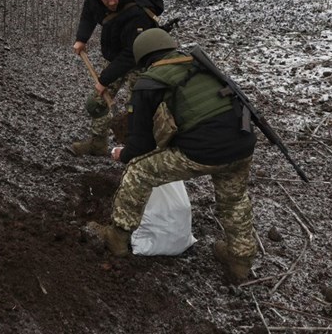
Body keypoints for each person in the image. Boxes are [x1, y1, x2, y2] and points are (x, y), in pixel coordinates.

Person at [84, 28, 258, 284]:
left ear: (142, 58)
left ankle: (117, 237)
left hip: (204, 149)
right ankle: (240, 261)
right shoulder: (200, 66)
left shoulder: (148, 82)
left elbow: (140, 144)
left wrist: (124, 155)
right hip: (242, 143)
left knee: (139, 172)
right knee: (234, 200)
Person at [70, 0, 163, 156]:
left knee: (137, 111)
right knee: (96, 103)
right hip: (115, 57)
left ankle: (136, 152)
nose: (111, 2)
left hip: (140, 61)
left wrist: (103, 80)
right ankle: (98, 144)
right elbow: (88, 14)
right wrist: (82, 39)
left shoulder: (137, 12)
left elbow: (131, 54)